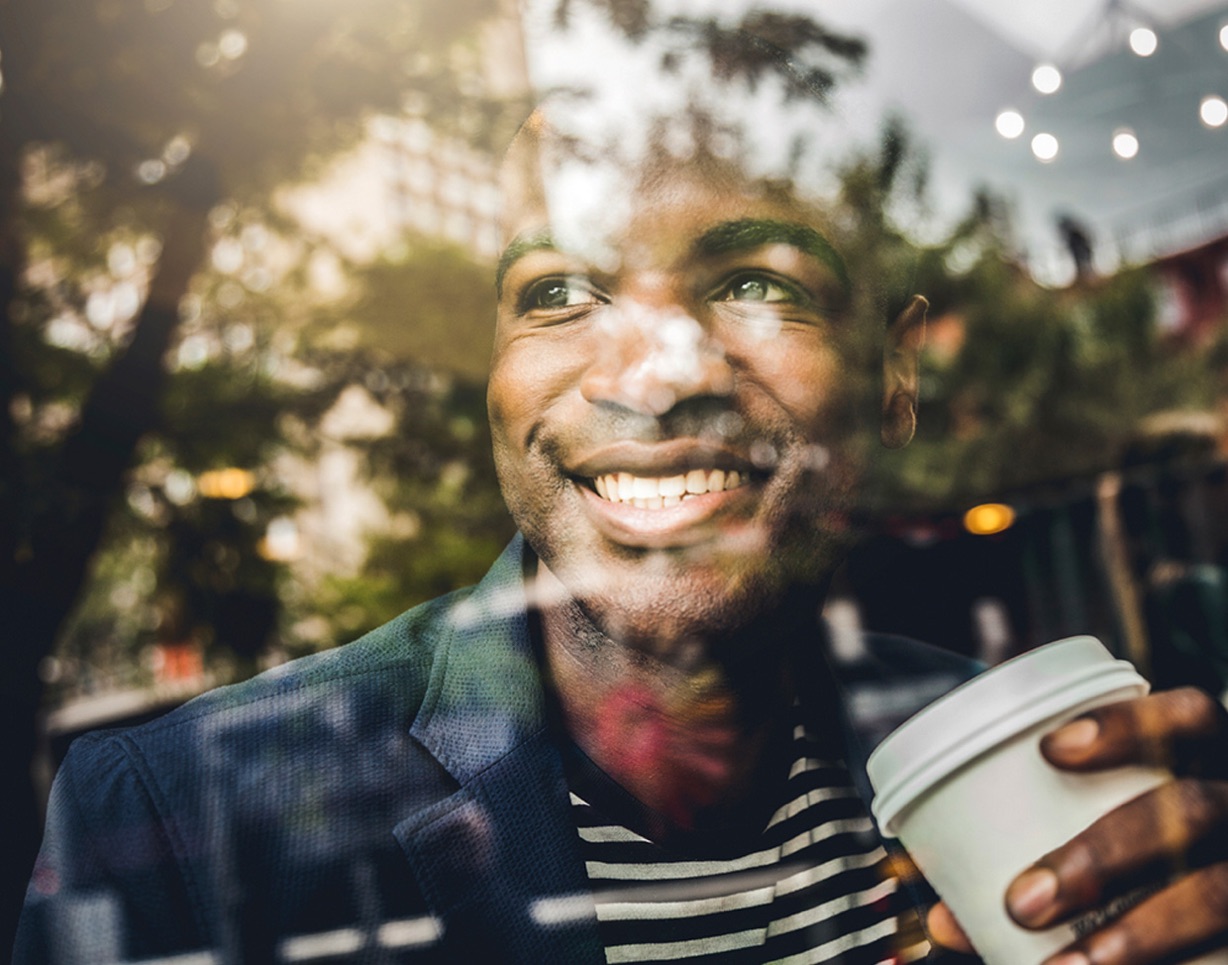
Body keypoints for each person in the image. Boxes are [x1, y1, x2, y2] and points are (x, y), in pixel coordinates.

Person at [16, 13, 1228, 965]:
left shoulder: (1001, 753)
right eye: (557, 294)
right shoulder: (182, 823)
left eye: (754, 281)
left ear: (893, 373)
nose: (653, 379)